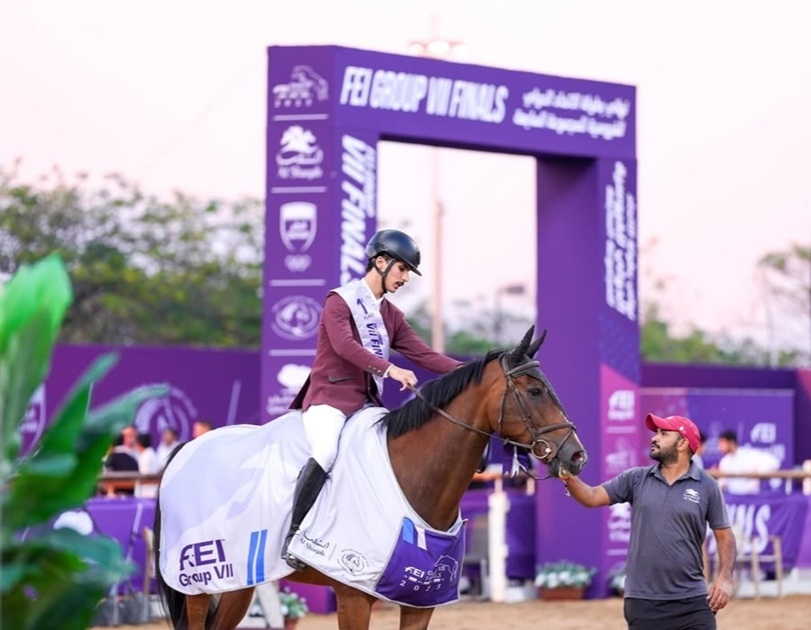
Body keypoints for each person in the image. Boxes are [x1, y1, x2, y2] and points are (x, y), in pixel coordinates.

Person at [282, 229, 464, 569]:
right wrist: (391, 369)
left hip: (366, 405)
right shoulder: (339, 301)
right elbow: (344, 346)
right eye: (402, 269)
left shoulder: (391, 316)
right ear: (381, 262)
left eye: (408, 272)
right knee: (326, 451)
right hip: (329, 398)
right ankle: (293, 535)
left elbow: (424, 355)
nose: (405, 278)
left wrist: (474, 371)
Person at [559, 413, 735, 630]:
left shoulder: (707, 485)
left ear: (682, 443)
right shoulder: (635, 478)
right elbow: (591, 496)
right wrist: (566, 474)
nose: (654, 437)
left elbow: (725, 536)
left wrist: (725, 578)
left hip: (693, 602)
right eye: (656, 433)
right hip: (643, 602)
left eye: (663, 433)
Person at [716, 429, 780, 495]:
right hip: (732, 499)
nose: (720, 446)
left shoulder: (748, 455)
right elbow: (722, 483)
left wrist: (758, 473)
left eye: (722, 442)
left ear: (731, 442)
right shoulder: (724, 461)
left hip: (750, 497)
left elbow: (774, 462)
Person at [133, 433, 162, 498]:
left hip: (148, 491)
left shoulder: (145, 456)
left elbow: (145, 476)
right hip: (152, 489)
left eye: (136, 443)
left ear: (139, 444)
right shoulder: (150, 453)